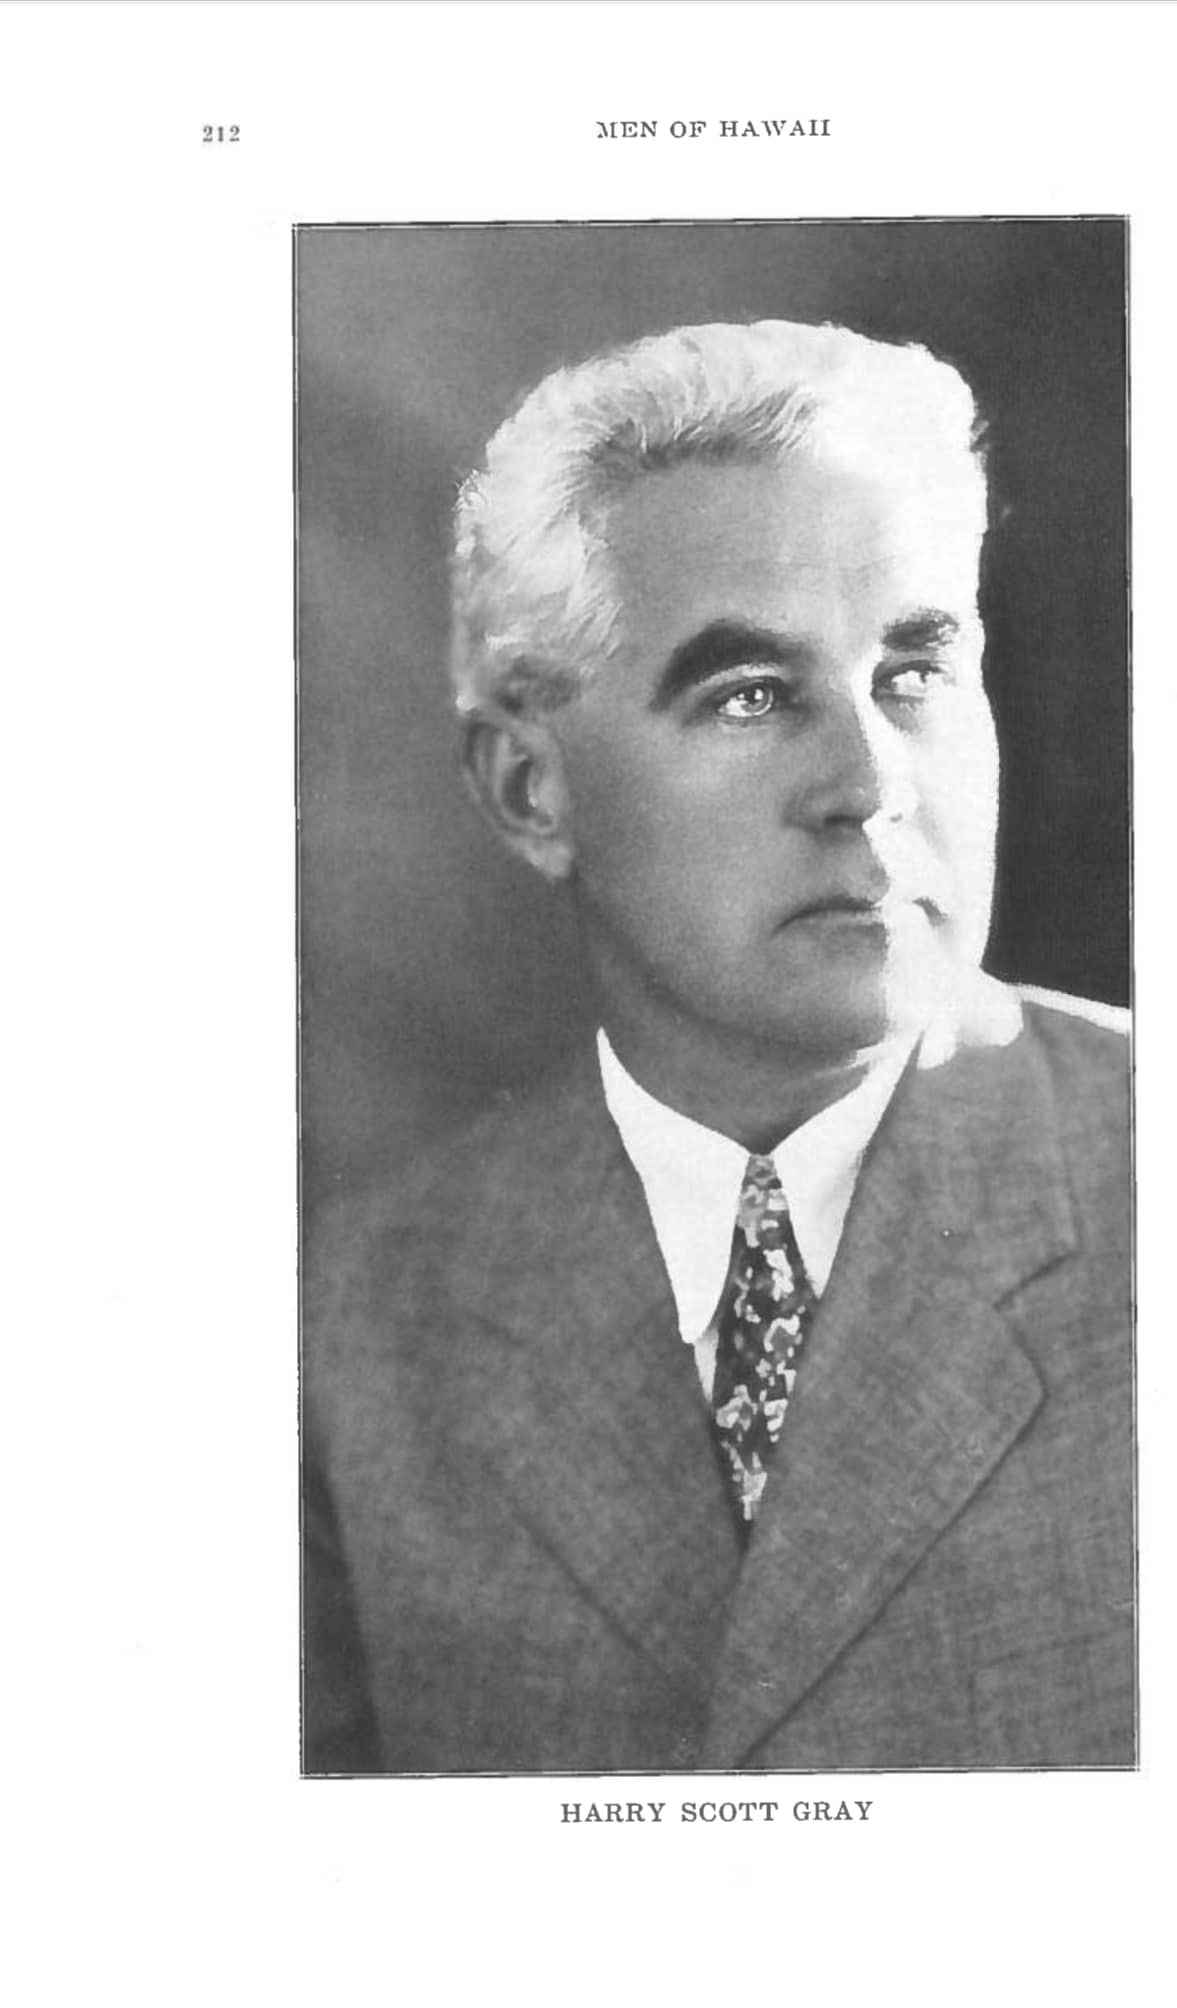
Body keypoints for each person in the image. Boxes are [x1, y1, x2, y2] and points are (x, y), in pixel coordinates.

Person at [301, 319, 1133, 1774]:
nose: (868, 782)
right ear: (530, 789)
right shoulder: (349, 1331)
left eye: (914, 672)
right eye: (751, 695)